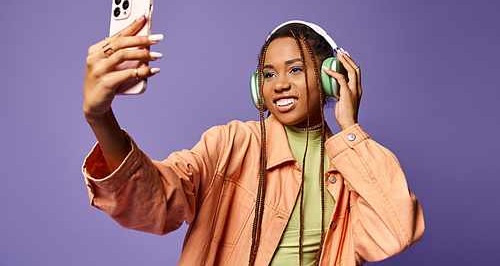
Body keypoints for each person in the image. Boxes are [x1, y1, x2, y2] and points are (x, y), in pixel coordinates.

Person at [82, 15, 424, 266]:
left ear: (331, 78)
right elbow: (154, 201)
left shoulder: (353, 165)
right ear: (257, 88)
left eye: (295, 69)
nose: (279, 84)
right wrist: (101, 117)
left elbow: (395, 234)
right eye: (268, 74)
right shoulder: (231, 143)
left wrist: (349, 127)